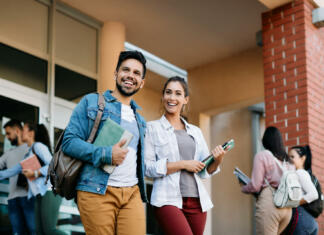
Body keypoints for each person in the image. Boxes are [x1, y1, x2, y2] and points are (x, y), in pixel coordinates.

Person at [61, 50, 147, 235]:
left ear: (142, 82)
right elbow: (68, 142)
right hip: (96, 190)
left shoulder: (141, 121)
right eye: (126, 70)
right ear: (116, 73)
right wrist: (106, 154)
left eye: (136, 73)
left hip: (131, 193)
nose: (130, 76)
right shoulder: (92, 102)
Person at [144, 76, 228, 235]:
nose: (172, 98)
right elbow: (147, 168)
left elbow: (204, 170)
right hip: (167, 199)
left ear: (185, 99)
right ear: (162, 96)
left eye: (177, 93)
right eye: (168, 93)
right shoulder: (152, 128)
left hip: (197, 201)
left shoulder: (195, 131)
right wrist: (182, 164)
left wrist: (217, 159)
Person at [0, 122, 66, 235]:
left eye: (24, 129)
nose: (21, 133)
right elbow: (8, 172)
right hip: (39, 194)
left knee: (49, 230)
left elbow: (53, 165)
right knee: (39, 232)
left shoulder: (38, 146)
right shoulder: (28, 154)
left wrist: (35, 173)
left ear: (31, 133)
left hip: (50, 192)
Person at [241, 126, 294, 235]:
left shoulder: (262, 155)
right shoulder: (288, 161)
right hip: (288, 208)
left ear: (265, 140)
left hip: (270, 203)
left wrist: (244, 187)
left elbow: (255, 186)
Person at [0, 119, 33, 235]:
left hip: (29, 197)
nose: (7, 137)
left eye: (9, 133)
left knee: (33, 231)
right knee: (17, 233)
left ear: (17, 131)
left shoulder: (30, 149)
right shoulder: (8, 153)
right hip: (13, 199)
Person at [288, 145, 318, 235]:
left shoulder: (300, 173)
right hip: (308, 221)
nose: (289, 159)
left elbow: (313, 194)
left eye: (292, 157)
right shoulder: (301, 173)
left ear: (303, 159)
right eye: (288, 157)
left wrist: (294, 202)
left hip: (301, 221)